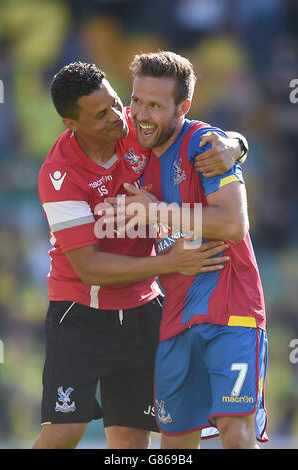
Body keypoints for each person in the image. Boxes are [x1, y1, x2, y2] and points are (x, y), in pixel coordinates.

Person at [34, 61, 247, 449]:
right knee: (64, 431)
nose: (119, 117)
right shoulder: (58, 175)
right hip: (79, 312)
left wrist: (235, 145)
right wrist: (169, 263)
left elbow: (196, 134)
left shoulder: (140, 131)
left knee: (132, 440)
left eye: (117, 102)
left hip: (143, 310)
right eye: (101, 114)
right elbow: (89, 267)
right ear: (72, 124)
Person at [106, 51, 268, 449]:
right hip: (175, 318)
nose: (141, 114)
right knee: (176, 444)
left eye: (155, 105)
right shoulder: (133, 145)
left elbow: (233, 223)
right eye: (136, 100)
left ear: (184, 107)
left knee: (235, 430)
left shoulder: (205, 146)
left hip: (231, 308)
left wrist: (232, 145)